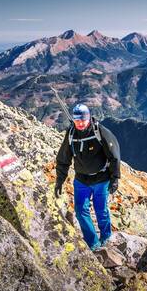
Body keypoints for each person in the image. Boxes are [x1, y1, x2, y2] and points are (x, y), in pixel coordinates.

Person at [55, 104, 120, 251]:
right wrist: (59, 180)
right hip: (81, 180)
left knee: (100, 210)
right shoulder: (71, 134)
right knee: (80, 210)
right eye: (77, 120)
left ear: (89, 117)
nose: (80, 123)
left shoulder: (100, 131)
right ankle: (93, 243)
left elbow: (114, 155)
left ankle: (106, 237)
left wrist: (115, 178)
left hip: (101, 179)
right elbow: (63, 158)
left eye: (83, 120)